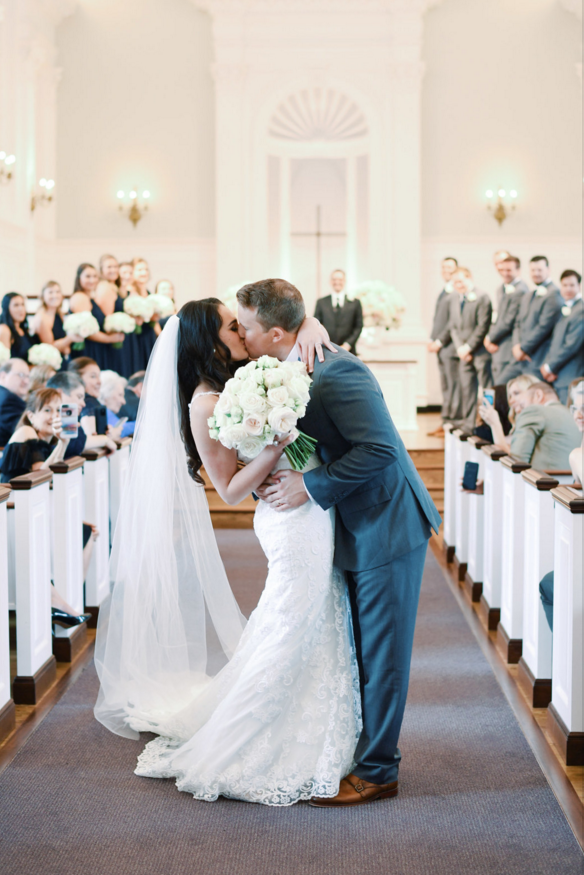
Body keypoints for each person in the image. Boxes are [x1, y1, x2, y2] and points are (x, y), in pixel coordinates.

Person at [94, 305, 359, 807]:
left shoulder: (242, 377)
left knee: (311, 615)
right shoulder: (204, 402)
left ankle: (313, 725)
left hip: (306, 507)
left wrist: (314, 327)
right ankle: (246, 742)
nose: (241, 330)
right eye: (231, 326)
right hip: (286, 516)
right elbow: (231, 489)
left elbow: (287, 328)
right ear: (207, 340)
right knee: (289, 622)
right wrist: (277, 446)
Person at [238, 279, 441, 807]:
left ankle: (378, 772)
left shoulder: (337, 369)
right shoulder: (289, 363)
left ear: (276, 332)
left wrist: (309, 485)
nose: (240, 334)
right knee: (356, 647)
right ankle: (359, 751)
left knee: (382, 654)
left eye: (246, 326)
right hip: (350, 521)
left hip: (386, 523)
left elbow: (379, 450)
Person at [0, 386, 92, 630]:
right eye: (47, 410)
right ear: (30, 415)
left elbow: (44, 475)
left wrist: (63, 442)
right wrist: (61, 443)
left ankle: (64, 604)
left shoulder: (42, 439)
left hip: (29, 511)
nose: (54, 416)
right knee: (72, 536)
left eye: (58, 410)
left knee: (87, 531)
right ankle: (62, 607)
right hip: (10, 514)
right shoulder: (26, 432)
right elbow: (39, 476)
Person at [538, 377, 584, 632]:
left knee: (551, 585)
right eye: (576, 408)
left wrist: (577, 457)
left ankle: (570, 666)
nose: (579, 415)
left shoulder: (578, 455)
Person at [442, 266, 493, 432]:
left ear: (469, 278)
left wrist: (469, 347)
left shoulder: (482, 297)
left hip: (479, 353)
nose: (458, 285)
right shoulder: (453, 299)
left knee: (486, 389)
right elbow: (453, 327)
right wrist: (460, 348)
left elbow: (482, 325)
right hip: (463, 353)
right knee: (467, 390)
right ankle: (469, 424)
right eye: (455, 282)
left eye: (460, 281)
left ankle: (487, 424)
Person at [497, 256, 562, 384]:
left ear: (548, 270)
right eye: (533, 270)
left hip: (537, 359)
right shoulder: (528, 295)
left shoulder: (554, 294)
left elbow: (544, 327)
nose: (536, 273)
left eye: (539, 270)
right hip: (518, 358)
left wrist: (524, 348)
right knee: (498, 388)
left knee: (530, 396)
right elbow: (517, 323)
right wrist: (516, 346)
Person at [508, 380, 581, 470]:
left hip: (540, 481)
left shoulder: (535, 410)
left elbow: (517, 460)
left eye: (523, 405)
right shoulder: (571, 415)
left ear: (538, 395)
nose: (521, 411)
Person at [69, 263, 126, 371]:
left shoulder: (90, 297)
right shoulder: (80, 297)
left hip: (97, 348)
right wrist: (109, 339)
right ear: (79, 278)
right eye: (88, 276)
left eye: (95, 276)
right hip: (89, 350)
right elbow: (87, 330)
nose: (92, 280)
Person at [427, 256, 460, 436]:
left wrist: (439, 341)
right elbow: (439, 320)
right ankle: (445, 421)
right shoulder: (444, 291)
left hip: (449, 347)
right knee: (446, 387)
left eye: (450, 267)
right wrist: (432, 339)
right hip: (441, 347)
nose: (446, 270)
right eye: (444, 267)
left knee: (452, 388)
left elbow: (452, 322)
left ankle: (451, 423)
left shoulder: (455, 291)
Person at [540, 270, 583, 404]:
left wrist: (550, 367)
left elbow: (571, 345)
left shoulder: (581, 310)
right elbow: (554, 342)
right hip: (557, 375)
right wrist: (548, 365)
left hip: (570, 374)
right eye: (564, 285)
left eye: (572, 285)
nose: (568, 289)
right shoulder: (563, 308)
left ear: (579, 286)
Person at [484, 256, 529, 383]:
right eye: (502, 270)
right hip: (498, 345)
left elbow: (509, 320)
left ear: (518, 270)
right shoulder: (500, 289)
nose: (505, 273)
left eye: (509, 270)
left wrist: (490, 338)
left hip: (508, 347)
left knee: (503, 387)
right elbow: (498, 317)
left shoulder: (521, 290)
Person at [478, 373, 539, 454]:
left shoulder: (535, 422)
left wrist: (495, 424)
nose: (511, 401)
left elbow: (513, 459)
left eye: (516, 393)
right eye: (510, 396)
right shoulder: (519, 424)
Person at [94, 254, 134, 377]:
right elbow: (108, 319)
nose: (113, 270)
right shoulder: (105, 287)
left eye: (115, 266)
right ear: (101, 270)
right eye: (109, 267)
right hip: (111, 341)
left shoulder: (114, 287)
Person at [68, 357, 118, 453]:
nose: (99, 381)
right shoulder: (89, 402)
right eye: (93, 376)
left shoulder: (91, 402)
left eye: (99, 376)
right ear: (77, 379)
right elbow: (92, 447)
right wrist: (105, 440)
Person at [313, 269, 363, 354]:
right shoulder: (321, 302)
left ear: (345, 281)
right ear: (330, 281)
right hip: (326, 350)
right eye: (334, 279)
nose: (337, 282)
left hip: (349, 351)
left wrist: (347, 344)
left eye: (340, 279)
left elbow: (358, 326)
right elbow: (316, 325)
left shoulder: (355, 303)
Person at [32, 280, 82, 363]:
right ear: (43, 296)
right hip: (49, 363)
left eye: (57, 292)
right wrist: (70, 338)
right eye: (50, 292)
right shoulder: (42, 318)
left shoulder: (58, 313)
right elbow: (49, 348)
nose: (55, 295)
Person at [127, 257, 160, 372]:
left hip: (148, 334)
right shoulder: (130, 290)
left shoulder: (148, 292)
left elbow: (153, 319)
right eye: (140, 270)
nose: (144, 272)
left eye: (146, 269)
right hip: (137, 336)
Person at [0, 358, 30, 447]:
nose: (26, 381)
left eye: (28, 376)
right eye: (21, 375)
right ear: (3, 376)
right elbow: (23, 431)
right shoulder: (8, 399)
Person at [0, 293, 39, 362]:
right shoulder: (4, 329)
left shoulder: (22, 329)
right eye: (16, 305)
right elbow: (2, 363)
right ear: (7, 308)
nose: (21, 309)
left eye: (22, 304)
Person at [98, 370, 135, 437]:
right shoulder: (101, 411)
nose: (124, 402)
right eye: (120, 395)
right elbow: (120, 430)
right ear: (106, 393)